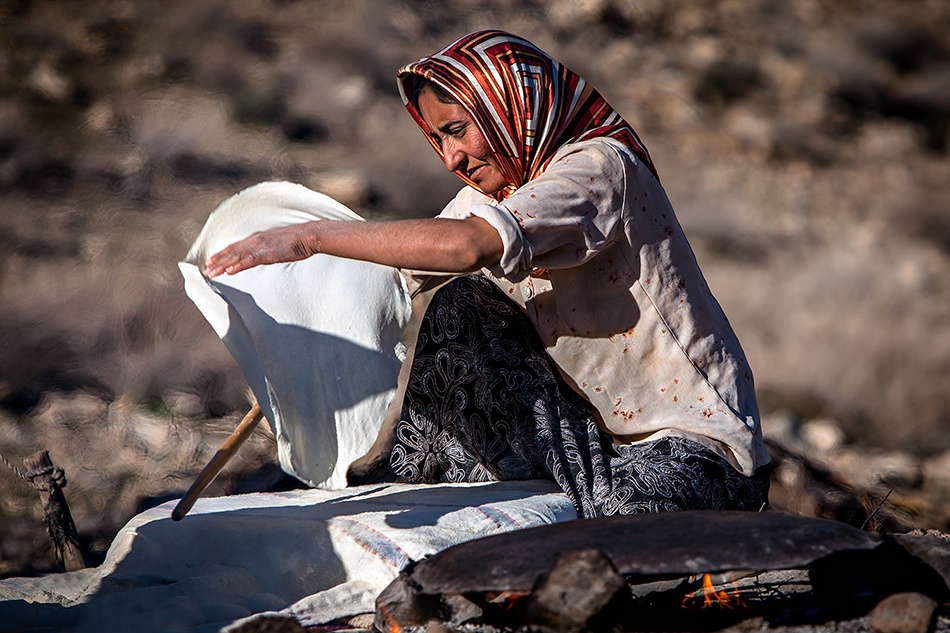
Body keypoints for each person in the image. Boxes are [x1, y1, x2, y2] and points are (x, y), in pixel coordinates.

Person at [204, 30, 770, 518]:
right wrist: (285, 348)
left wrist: (310, 237)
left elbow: (467, 246)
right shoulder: (491, 198)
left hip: (695, 459)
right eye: (439, 139)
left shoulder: (599, 169)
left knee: (464, 307)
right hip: (585, 451)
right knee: (459, 316)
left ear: (510, 108)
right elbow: (384, 283)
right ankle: (419, 483)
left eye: (457, 131)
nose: (450, 159)